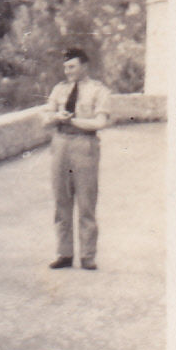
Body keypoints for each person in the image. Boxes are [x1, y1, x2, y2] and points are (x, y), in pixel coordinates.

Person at [43, 47, 112, 270]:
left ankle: (87, 255)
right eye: (65, 67)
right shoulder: (59, 89)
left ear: (84, 66)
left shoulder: (98, 90)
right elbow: (45, 118)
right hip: (61, 143)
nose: (67, 71)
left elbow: (100, 122)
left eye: (72, 66)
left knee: (86, 202)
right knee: (61, 201)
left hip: (85, 145)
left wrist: (73, 121)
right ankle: (64, 253)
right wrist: (57, 116)